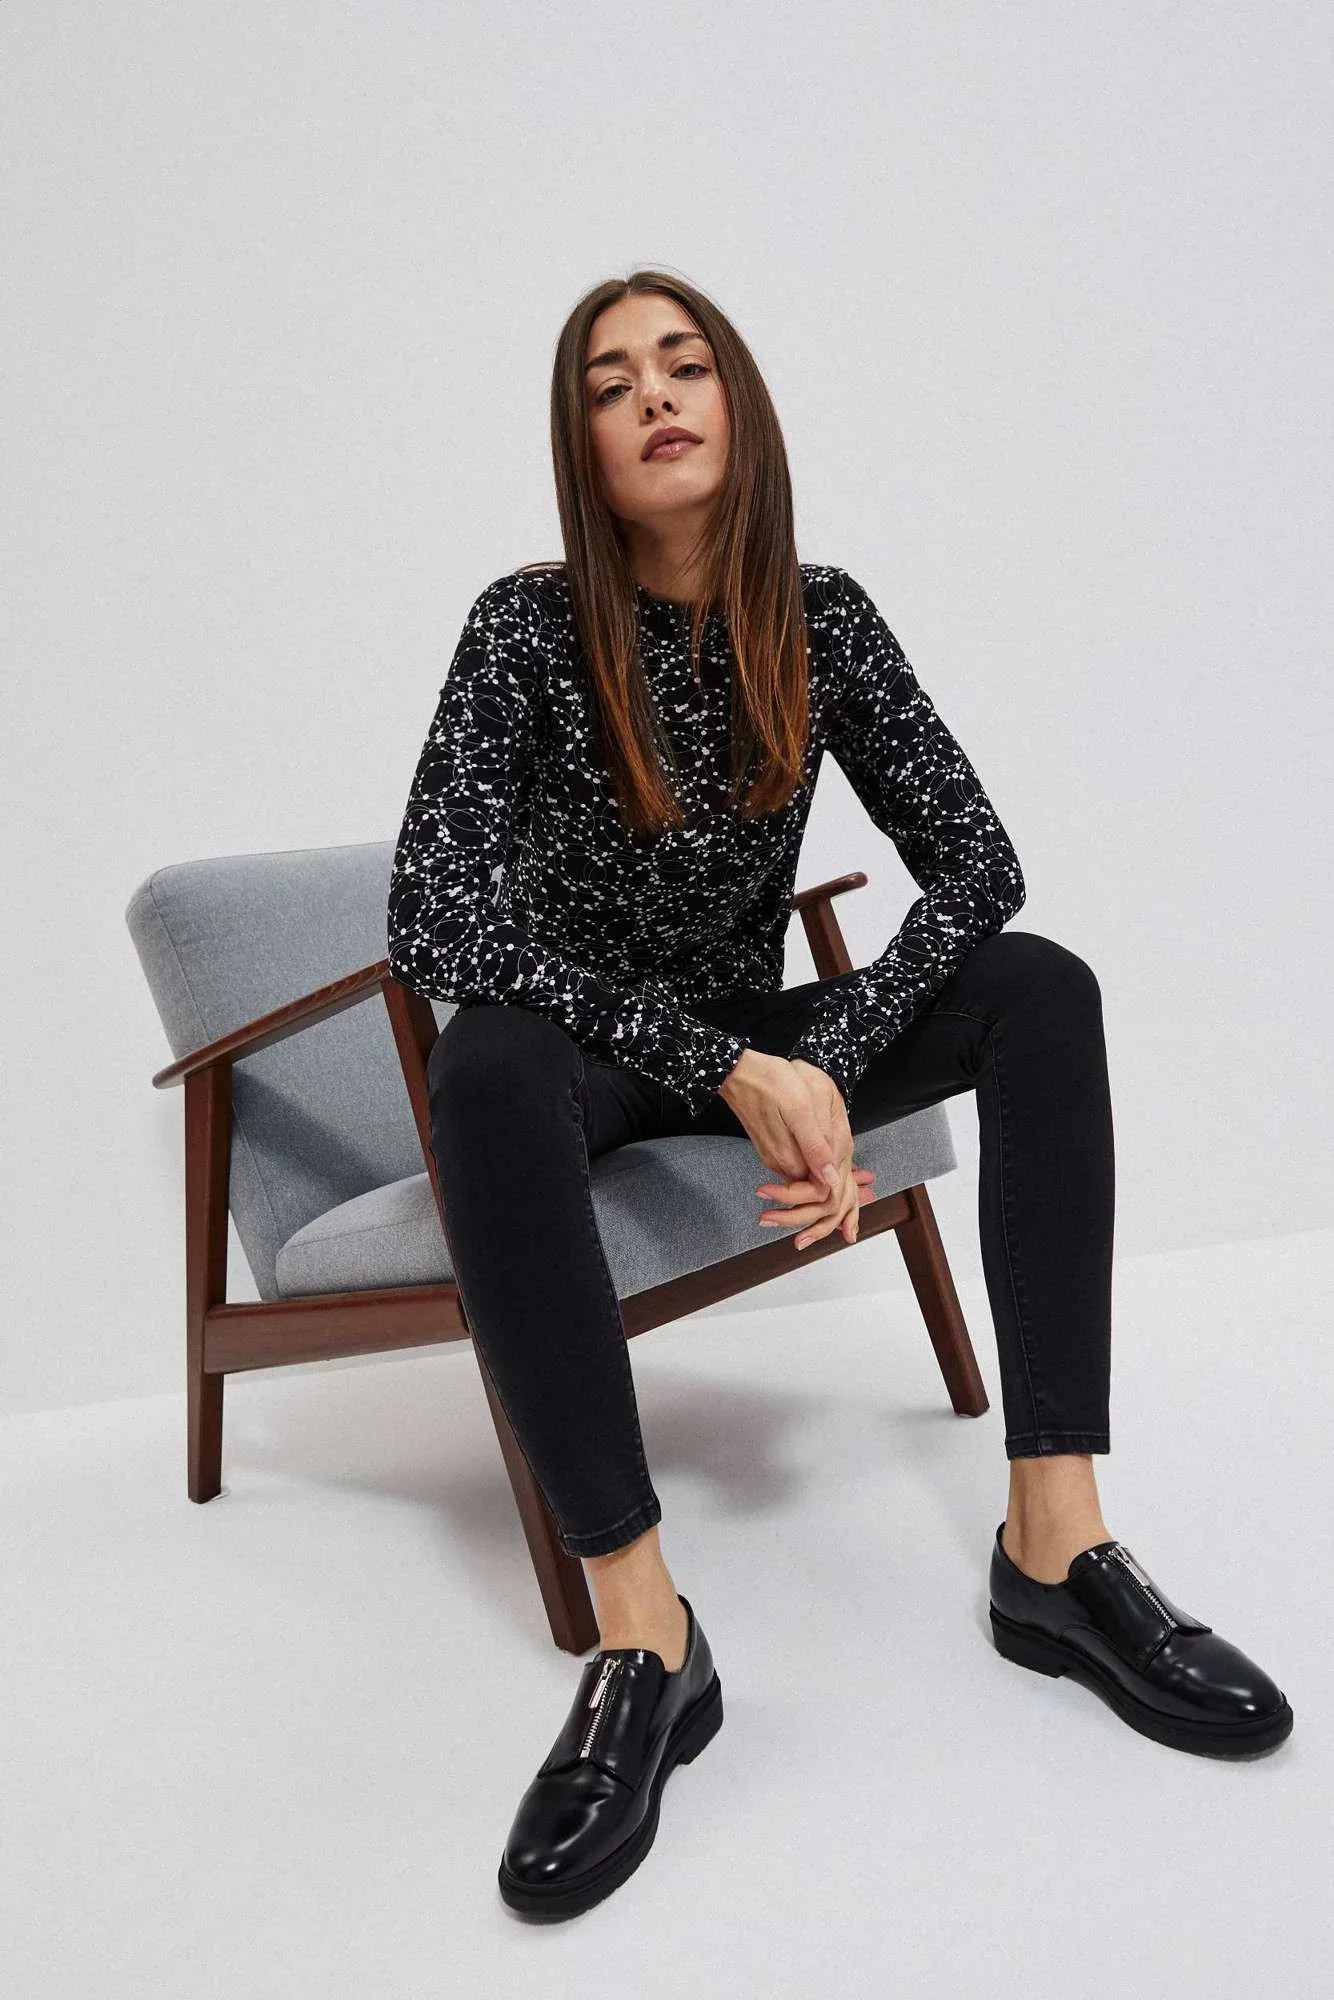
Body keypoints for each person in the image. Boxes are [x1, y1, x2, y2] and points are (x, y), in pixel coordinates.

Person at [386, 271, 1293, 1920]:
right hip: (596, 1056)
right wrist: (728, 1068)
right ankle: (644, 1638)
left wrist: (823, 1051)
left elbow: (977, 861)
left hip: (759, 1032)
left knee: (1040, 987)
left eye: (683, 365)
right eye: (609, 383)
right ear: (582, 446)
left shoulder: (822, 616)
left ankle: (1054, 1547)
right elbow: (432, 915)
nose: (653, 396)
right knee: (485, 1058)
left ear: (736, 406)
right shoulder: (524, 624)